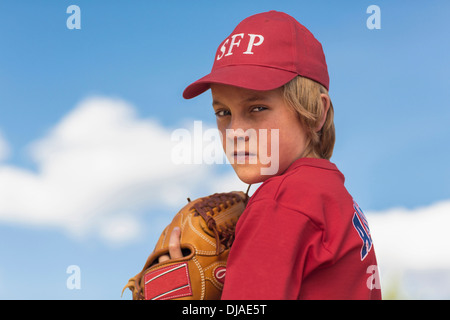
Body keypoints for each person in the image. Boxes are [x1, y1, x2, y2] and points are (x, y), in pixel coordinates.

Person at [160, 10, 382, 300]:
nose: (236, 130)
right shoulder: (332, 196)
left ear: (316, 112)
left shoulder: (280, 201)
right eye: (223, 112)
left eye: (257, 108)